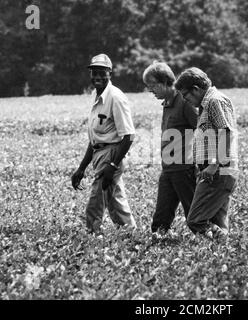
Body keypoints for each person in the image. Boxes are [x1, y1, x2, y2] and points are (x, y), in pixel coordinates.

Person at [71, 53, 137, 234]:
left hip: (112, 155)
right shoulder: (96, 95)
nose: (97, 77)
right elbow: (95, 140)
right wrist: (81, 168)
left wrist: (113, 165)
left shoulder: (116, 97)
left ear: (110, 73)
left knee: (95, 201)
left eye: (102, 72)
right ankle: (129, 233)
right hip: (100, 155)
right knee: (115, 199)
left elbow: (128, 136)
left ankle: (92, 234)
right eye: (94, 72)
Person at [174, 67, 239, 241]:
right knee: (217, 220)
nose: (186, 100)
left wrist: (213, 164)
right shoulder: (207, 104)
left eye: (186, 95)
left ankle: (221, 243)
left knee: (195, 220)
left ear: (195, 89)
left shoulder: (214, 101)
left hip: (219, 170)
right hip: (216, 170)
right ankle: (222, 253)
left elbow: (226, 132)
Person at [142, 62, 198, 238]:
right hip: (168, 168)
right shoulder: (166, 103)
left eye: (152, 85)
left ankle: (209, 241)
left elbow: (202, 129)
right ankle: (159, 238)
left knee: (194, 215)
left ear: (165, 81)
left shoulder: (184, 101)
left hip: (183, 168)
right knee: (161, 217)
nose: (150, 90)